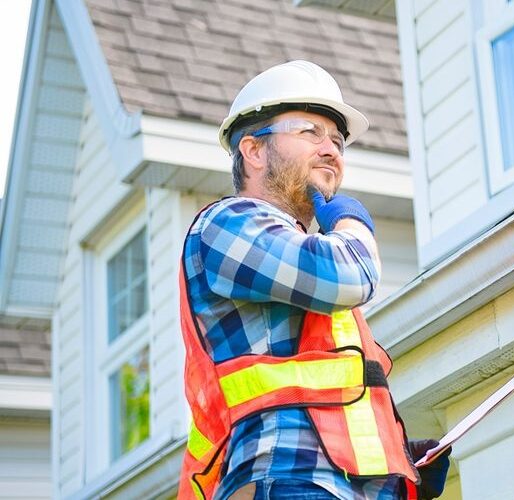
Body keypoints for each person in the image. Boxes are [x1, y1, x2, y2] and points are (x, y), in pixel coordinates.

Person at [176, 60, 449, 500]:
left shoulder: (300, 256)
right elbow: (349, 273)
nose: (332, 150)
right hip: (287, 478)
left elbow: (330, 398)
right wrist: (350, 219)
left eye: (338, 141)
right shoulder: (226, 225)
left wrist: (398, 465)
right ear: (254, 150)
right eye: (310, 132)